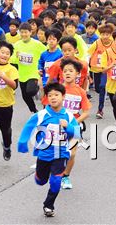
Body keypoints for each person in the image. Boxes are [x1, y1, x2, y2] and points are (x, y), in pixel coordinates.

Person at [17, 82, 81, 217]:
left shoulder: (69, 116)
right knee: (41, 181)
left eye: (56, 95)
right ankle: (38, 176)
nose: (53, 98)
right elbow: (29, 127)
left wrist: (68, 127)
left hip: (61, 154)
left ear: (63, 97)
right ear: (47, 98)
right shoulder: (41, 115)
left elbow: (77, 134)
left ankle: (48, 205)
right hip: (44, 154)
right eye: (50, 95)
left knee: (56, 181)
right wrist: (22, 142)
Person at [41, 58, 90, 190]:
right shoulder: (56, 90)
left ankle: (66, 176)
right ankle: (54, 171)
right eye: (65, 71)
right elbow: (46, 107)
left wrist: (72, 122)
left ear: (77, 74)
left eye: (71, 71)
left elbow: (86, 112)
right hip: (55, 127)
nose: (67, 73)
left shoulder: (81, 92)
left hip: (73, 126)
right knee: (54, 152)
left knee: (72, 153)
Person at [12, 23, 47, 113]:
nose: (24, 34)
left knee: (30, 91)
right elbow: (12, 60)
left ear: (31, 32)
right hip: (22, 74)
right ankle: (34, 111)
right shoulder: (17, 45)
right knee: (25, 96)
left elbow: (46, 53)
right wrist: (16, 57)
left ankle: (37, 88)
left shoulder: (37, 44)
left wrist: (43, 66)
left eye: (26, 32)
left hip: (34, 73)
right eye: (22, 32)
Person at [87, 24, 114, 119]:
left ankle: (100, 109)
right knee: (98, 89)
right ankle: (106, 92)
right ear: (100, 34)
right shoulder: (97, 43)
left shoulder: (113, 44)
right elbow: (88, 54)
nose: (105, 36)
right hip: (96, 69)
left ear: (111, 35)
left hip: (106, 70)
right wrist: (86, 65)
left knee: (102, 87)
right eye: (103, 34)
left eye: (107, 34)